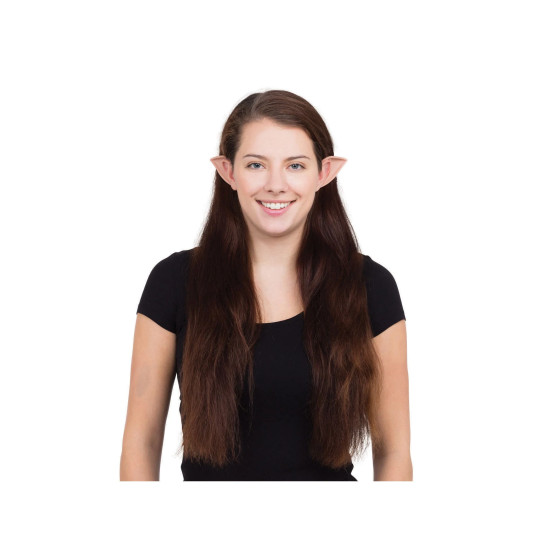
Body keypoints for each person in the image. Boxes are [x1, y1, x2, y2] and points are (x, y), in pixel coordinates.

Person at [120, 90, 412, 481]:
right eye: (256, 164)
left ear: (325, 173)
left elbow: (394, 450)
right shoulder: (173, 281)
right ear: (228, 171)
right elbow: (141, 442)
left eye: (296, 165)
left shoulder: (371, 286)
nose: (276, 185)